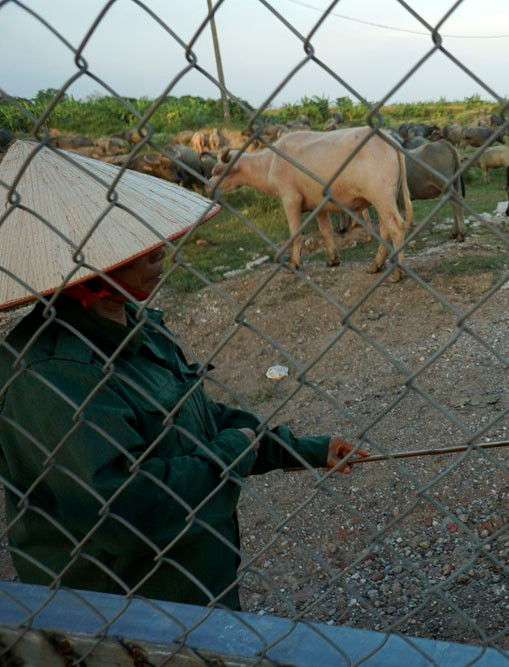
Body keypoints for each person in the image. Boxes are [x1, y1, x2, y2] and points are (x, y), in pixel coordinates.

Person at [0, 140, 366, 610]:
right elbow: (124, 505)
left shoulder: (134, 324)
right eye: (131, 243)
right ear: (78, 265)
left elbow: (199, 420)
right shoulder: (48, 376)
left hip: (191, 582)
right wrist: (236, 451)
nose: (159, 250)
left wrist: (304, 449)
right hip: (123, 610)